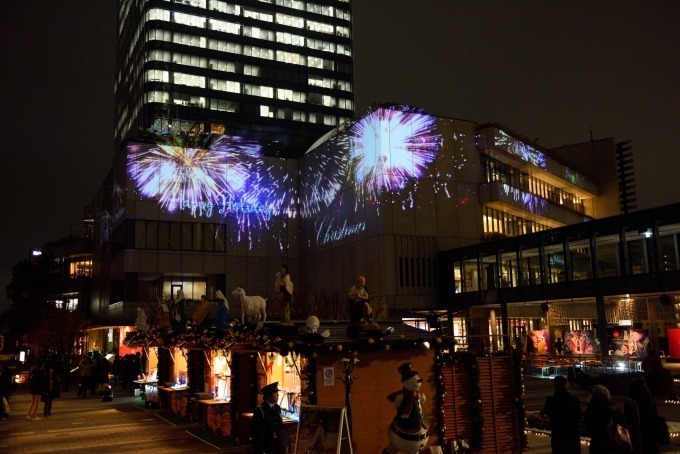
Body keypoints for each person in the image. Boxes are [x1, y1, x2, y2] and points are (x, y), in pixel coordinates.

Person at [541, 375, 581, 454]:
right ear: (565, 384)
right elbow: (578, 417)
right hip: (571, 435)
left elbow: (546, 412)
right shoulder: (574, 400)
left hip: (558, 434)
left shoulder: (551, 401)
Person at [584, 384, 628, 453]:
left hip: (597, 444)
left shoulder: (591, 409)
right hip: (613, 443)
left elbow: (587, 426)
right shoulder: (615, 409)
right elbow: (624, 425)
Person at [624, 378, 660, 454]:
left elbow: (627, 420)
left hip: (636, 434)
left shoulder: (630, 402)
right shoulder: (650, 402)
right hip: (650, 434)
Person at [252, 382, 289, 453]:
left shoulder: (277, 408)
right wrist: (260, 450)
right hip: (267, 445)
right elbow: (257, 432)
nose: (278, 395)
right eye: (275, 393)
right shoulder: (260, 411)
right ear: (268, 396)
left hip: (278, 444)